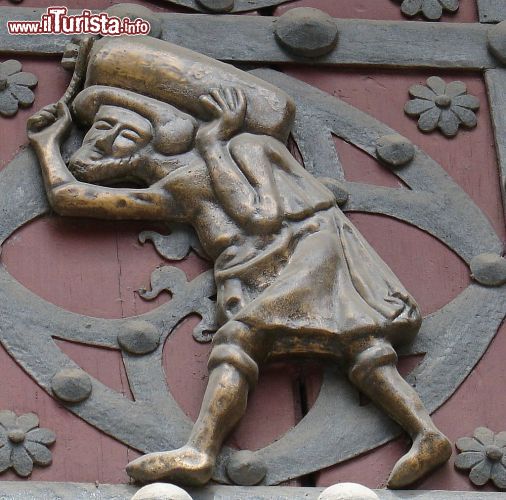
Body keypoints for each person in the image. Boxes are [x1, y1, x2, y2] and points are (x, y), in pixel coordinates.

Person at [27, 84, 451, 489]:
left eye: (124, 133)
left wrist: (213, 143)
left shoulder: (245, 150)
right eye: (102, 129)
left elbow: (259, 216)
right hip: (255, 270)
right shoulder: (174, 190)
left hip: (301, 252)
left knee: (240, 340)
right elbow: (73, 198)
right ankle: (426, 435)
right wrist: (49, 144)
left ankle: (200, 451)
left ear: (155, 140)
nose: (107, 142)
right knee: (362, 347)